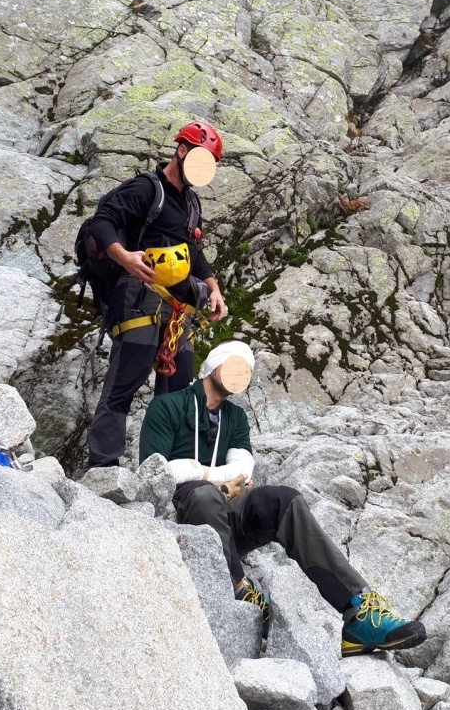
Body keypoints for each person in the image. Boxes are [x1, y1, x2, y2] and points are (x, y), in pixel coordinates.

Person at [138, 340, 427, 656]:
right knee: (205, 495)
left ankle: (357, 610)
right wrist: (214, 479)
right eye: (236, 364)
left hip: (224, 512)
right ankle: (241, 592)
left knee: (283, 500)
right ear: (214, 363)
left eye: (247, 370)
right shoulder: (166, 406)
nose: (242, 373)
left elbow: (243, 469)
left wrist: (201, 473)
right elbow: (157, 470)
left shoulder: (236, 418)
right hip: (181, 515)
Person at [86, 122, 226, 468]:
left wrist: (213, 287)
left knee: (178, 392)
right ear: (181, 151)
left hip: (178, 310)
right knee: (124, 383)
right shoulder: (146, 190)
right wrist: (124, 257)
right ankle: (103, 468)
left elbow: (194, 253)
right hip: (138, 298)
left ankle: (171, 470)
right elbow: (100, 222)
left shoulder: (191, 203)